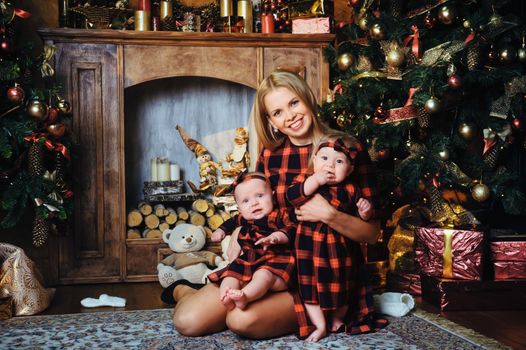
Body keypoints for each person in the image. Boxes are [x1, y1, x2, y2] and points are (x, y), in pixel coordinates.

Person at [170, 70, 385, 339]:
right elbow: (254, 205)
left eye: (294, 103)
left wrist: (329, 214)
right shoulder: (270, 155)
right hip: (267, 261)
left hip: (318, 276)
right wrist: (238, 231)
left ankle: (268, 308)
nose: (290, 116)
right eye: (278, 112)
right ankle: (184, 289)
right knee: (188, 321)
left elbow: (372, 234)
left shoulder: (345, 150)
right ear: (270, 120)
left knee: (240, 319)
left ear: (307, 98)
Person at [286, 132, 373, 342]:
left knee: (342, 284)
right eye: (324, 158)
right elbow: (293, 196)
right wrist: (315, 179)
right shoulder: (306, 181)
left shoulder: (351, 189)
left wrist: (365, 211)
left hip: (339, 249)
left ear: (350, 169)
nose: (330, 166)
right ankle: (319, 324)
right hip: (309, 247)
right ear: (314, 160)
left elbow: (359, 218)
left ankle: (337, 317)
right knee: (309, 287)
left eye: (339, 161)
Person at [208, 171, 296, 311]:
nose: (254, 203)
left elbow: (291, 229)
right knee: (230, 274)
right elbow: (230, 223)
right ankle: (226, 297)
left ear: (272, 196)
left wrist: (276, 237)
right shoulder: (243, 218)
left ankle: (245, 296)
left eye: (260, 196)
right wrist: (220, 231)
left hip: (275, 260)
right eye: (246, 201)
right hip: (248, 259)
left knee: (263, 275)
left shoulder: (279, 215)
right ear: (239, 207)